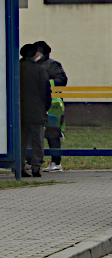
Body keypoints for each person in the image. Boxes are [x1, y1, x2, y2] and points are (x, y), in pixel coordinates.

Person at [18, 43, 51, 178]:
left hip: (19, 111)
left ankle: (19, 167)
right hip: (37, 111)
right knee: (38, 141)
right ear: (34, 55)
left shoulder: (16, 68)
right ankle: (36, 168)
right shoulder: (39, 70)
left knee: (21, 140)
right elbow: (45, 92)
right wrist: (45, 108)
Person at [34, 41, 67, 172]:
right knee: (34, 133)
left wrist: (45, 83)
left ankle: (56, 161)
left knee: (52, 132)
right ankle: (32, 160)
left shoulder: (52, 65)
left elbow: (62, 80)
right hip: (36, 103)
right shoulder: (32, 64)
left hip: (53, 104)